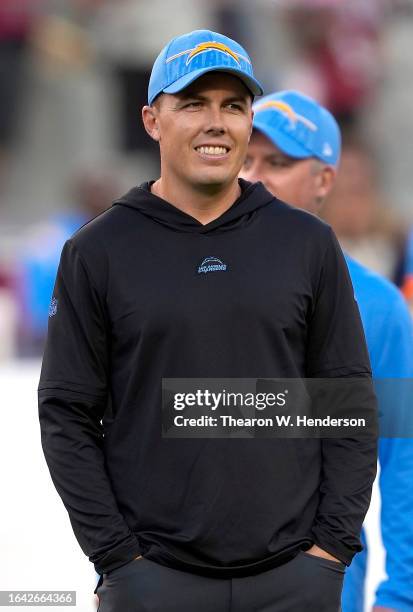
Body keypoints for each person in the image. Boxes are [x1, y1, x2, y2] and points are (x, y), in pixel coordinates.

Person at [38, 30, 377, 612]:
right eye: (193, 103)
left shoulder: (308, 244)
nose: (216, 122)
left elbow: (348, 402)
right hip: (153, 579)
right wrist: (115, 556)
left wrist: (331, 552)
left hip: (294, 579)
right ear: (152, 120)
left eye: (234, 105)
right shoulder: (97, 252)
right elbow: (66, 413)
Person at [241, 89, 413, 612]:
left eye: (278, 162)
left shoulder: (377, 309)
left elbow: (405, 461)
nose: (254, 175)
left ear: (324, 180)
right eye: (245, 157)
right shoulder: (176, 285)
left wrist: (401, 595)